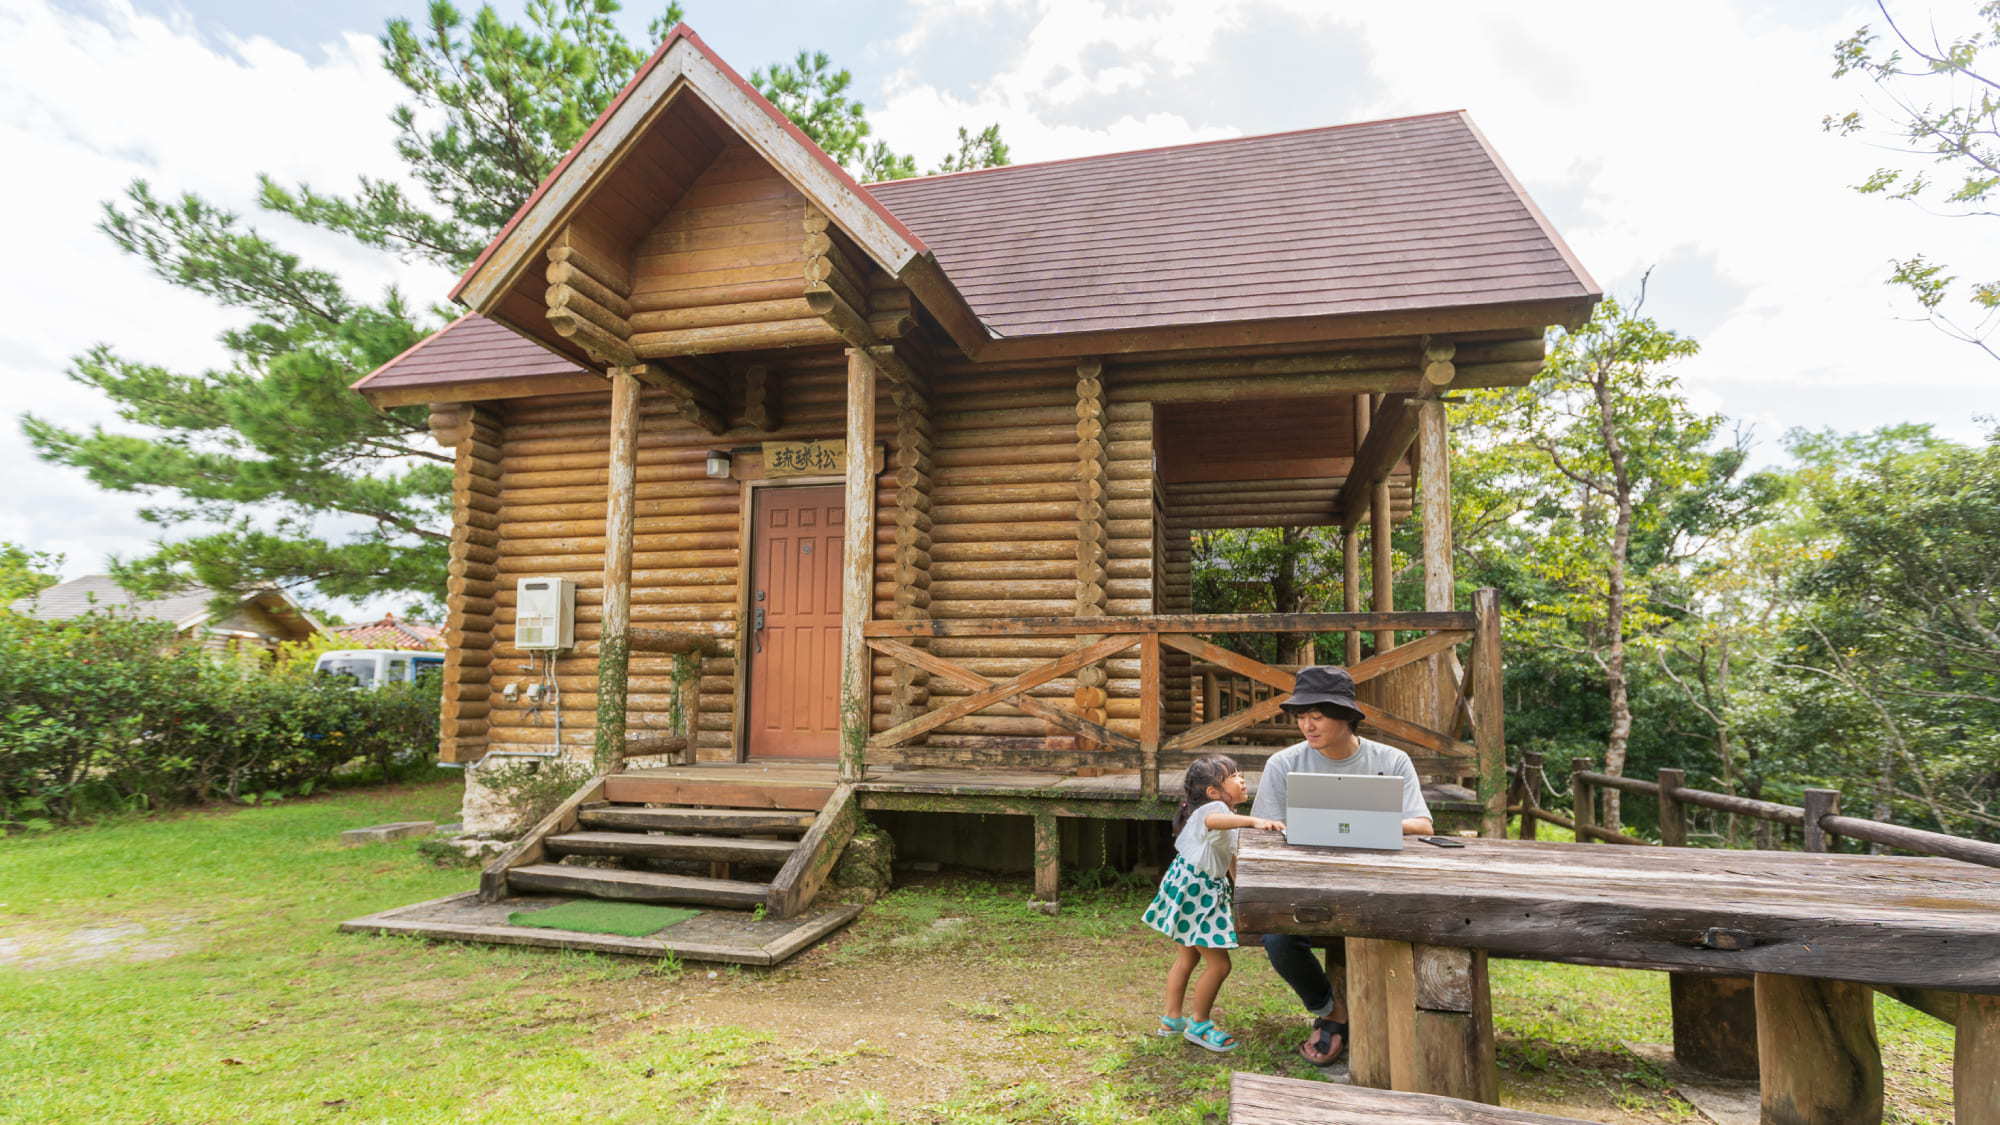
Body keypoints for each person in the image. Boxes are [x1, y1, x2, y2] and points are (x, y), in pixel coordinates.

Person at [1250, 665, 1435, 1065]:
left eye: (1316, 716)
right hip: (1308, 882)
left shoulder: (1391, 760)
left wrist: (1363, 826)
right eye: (1301, 717)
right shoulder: (1283, 764)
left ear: (1345, 717)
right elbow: (1262, 831)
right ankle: (1331, 1011)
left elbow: (1422, 825)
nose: (1306, 726)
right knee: (1277, 939)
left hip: (1379, 881)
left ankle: (1404, 1018)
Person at [1142, 753, 1284, 1053]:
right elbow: (1214, 820)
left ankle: (1171, 1019)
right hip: (1198, 895)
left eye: (1241, 772)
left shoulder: (1224, 815)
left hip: (1189, 890)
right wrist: (1255, 821)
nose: (1242, 779)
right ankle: (1200, 1024)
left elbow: (1230, 859)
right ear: (1212, 792)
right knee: (1219, 966)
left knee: (1188, 958)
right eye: (1233, 776)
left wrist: (1239, 891)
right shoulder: (1215, 810)